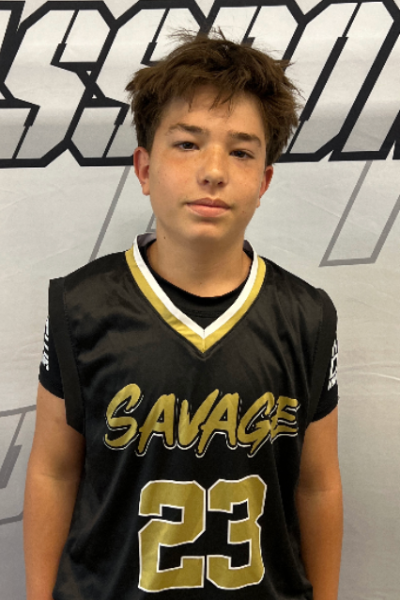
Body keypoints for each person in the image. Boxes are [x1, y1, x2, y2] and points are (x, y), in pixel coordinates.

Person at [24, 32, 342, 600]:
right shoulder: (79, 305)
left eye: (241, 151)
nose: (213, 170)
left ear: (264, 180)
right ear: (145, 168)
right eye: (188, 144)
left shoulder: (307, 317)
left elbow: (317, 487)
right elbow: (54, 471)